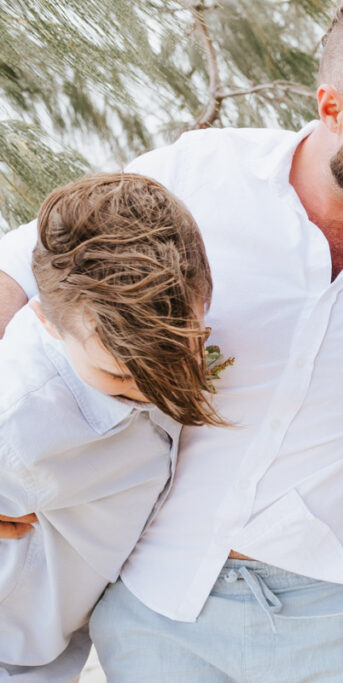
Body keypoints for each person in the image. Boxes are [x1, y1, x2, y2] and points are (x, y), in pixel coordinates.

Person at [0, 1, 343, 680]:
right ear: (332, 109)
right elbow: (26, 270)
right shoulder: (201, 174)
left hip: (333, 621)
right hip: (156, 604)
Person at [0, 173, 223, 681]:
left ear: (205, 298)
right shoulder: (20, 412)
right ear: (46, 320)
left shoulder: (166, 303)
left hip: (58, 647)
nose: (151, 389)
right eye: (120, 377)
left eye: (174, 358)